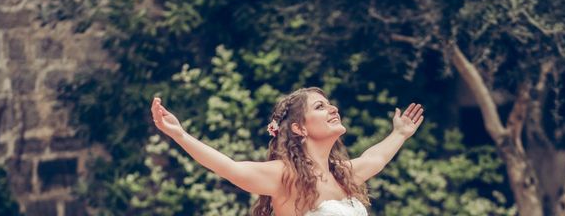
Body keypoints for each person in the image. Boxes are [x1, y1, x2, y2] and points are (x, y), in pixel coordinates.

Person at [151, 87, 424, 216]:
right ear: (299, 129)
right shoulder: (286, 176)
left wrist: (399, 133)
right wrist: (180, 134)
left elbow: (374, 158)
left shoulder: (342, 174)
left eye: (330, 104)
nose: (333, 109)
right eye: (320, 107)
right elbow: (231, 168)